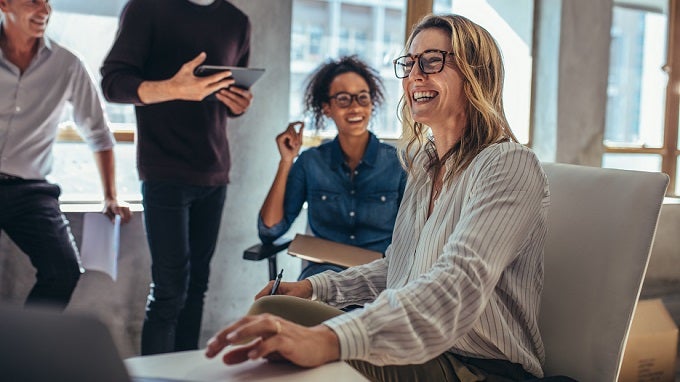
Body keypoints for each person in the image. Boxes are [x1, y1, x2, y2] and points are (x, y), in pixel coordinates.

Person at [206, 14, 551, 381]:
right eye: (409, 63)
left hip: (476, 367)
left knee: (292, 338)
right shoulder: (423, 163)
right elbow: (397, 268)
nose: (415, 75)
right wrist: (313, 287)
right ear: (327, 108)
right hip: (420, 347)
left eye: (432, 60)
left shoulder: (508, 164)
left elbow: (456, 285)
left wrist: (331, 339)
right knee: (273, 309)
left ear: (475, 72)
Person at [100, 0, 253, 355]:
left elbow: (233, 97)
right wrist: (172, 88)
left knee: (197, 286)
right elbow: (112, 83)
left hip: (214, 172)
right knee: (170, 291)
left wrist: (239, 104)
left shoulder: (237, 21)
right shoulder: (147, 8)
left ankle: (183, 373)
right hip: (163, 170)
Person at [0, 0, 132, 311]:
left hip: (30, 191)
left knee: (63, 271)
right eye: (32, 1)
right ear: (4, 4)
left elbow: (99, 133)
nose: (44, 9)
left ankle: (24, 352)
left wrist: (110, 195)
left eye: (47, 1)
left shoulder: (67, 64)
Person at [258, 56, 407, 280]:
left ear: (371, 103)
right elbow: (270, 230)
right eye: (343, 99)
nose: (355, 107)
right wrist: (286, 161)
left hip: (380, 281)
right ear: (327, 108)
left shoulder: (399, 164)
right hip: (321, 279)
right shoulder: (310, 162)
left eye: (362, 98)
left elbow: (416, 236)